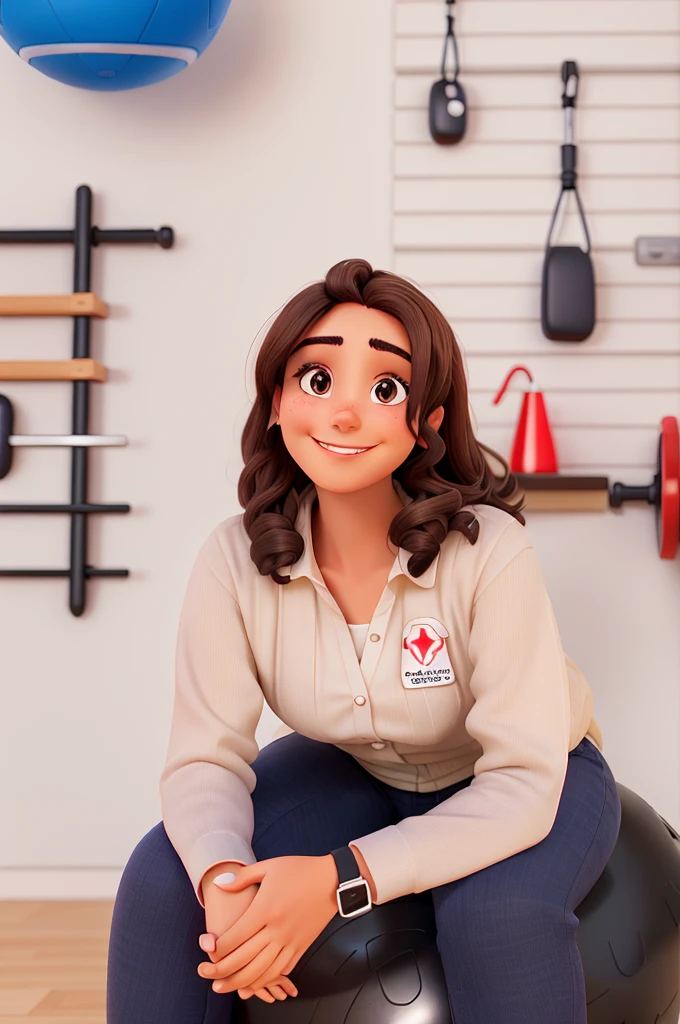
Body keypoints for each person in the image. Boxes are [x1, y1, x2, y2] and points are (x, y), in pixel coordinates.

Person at [106, 258, 621, 1023]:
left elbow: (520, 782)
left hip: (528, 778)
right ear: (277, 401)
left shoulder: (492, 552)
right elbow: (204, 759)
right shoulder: (230, 559)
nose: (345, 413)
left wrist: (337, 881)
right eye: (317, 379)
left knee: (497, 919)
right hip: (353, 769)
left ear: (430, 422)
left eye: (385, 389)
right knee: (164, 875)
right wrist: (222, 880)